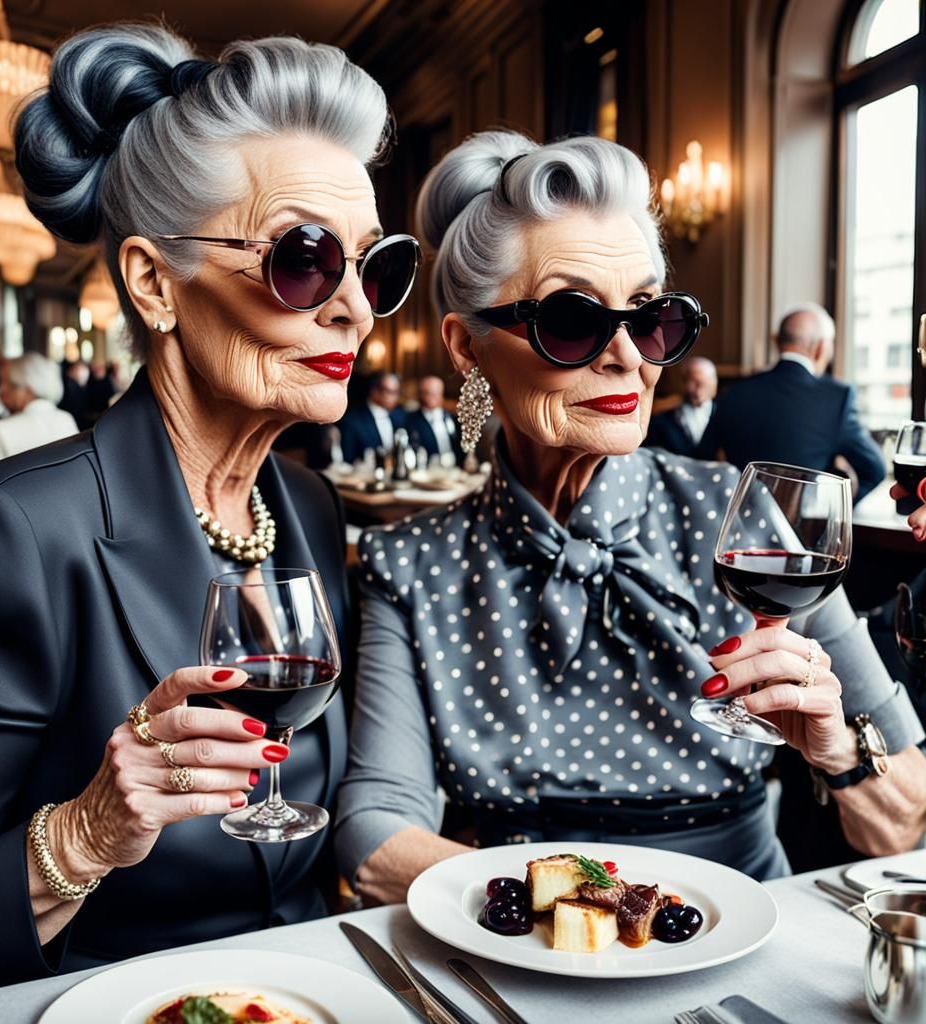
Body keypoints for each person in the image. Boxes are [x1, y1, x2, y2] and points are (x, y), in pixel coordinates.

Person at [0, 23, 417, 1002]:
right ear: (152, 280)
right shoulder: (10, 529)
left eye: (375, 267)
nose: (355, 307)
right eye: (305, 259)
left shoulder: (303, 501)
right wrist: (86, 832)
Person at [335, 131, 926, 906]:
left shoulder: (746, 520)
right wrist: (589, 913)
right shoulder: (408, 562)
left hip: (736, 931)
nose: (628, 357)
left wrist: (837, 750)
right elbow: (375, 833)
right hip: (509, 945)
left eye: (650, 317)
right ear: (467, 348)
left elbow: (902, 823)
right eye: (574, 320)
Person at [697, 304, 885, 503]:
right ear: (820, 348)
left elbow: (701, 462)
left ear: (777, 341)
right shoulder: (837, 398)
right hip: (801, 532)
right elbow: (875, 470)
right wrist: (834, 511)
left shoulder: (733, 393)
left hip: (737, 526)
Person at [0, 353, 79, 469]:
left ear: (25, 388)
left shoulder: (1, 430)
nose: (0, 391)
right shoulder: (66, 419)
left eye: (4, 382)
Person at [644, 356, 717, 458]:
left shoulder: (723, 414)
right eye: (694, 382)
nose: (699, 390)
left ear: (714, 384)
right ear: (683, 381)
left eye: (704, 383)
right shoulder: (663, 419)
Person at [337, 370, 404, 462]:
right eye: (390, 392)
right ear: (374, 391)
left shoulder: (399, 416)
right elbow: (347, 459)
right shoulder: (352, 420)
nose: (396, 397)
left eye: (397, 392)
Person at [405, 374, 460, 459]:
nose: (431, 397)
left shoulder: (452, 417)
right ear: (420, 394)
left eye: (435, 393)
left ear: (441, 394)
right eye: (427, 393)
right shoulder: (411, 420)